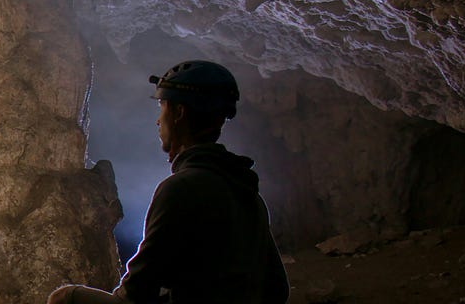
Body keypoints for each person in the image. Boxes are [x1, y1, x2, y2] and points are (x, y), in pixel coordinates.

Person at [50, 60, 289, 304]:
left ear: (179, 113)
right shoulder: (248, 194)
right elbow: (278, 288)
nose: (157, 120)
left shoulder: (181, 189)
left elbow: (135, 295)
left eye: (162, 106)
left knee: (65, 298)